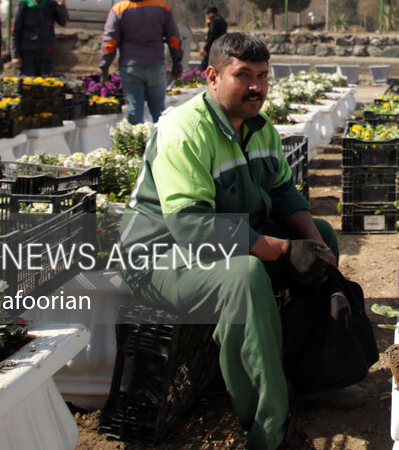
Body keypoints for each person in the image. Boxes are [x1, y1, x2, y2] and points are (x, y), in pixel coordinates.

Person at [119, 31, 341, 450]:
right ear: (212, 77)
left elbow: (282, 192)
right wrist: (281, 250)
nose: (256, 86)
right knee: (245, 275)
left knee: (320, 236)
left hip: (219, 244)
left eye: (262, 76)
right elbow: (190, 225)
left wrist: (314, 245)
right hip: (161, 257)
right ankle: (269, 433)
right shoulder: (185, 129)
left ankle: (311, 376)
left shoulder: (260, 127)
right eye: (243, 75)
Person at [99, 0, 183, 124]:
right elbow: (174, 40)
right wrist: (177, 62)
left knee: (134, 109)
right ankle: (161, 138)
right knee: (159, 110)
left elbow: (110, 42)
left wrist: (104, 66)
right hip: (156, 65)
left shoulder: (119, 9)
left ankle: (136, 138)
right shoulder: (162, 7)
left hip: (130, 67)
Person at [11, 0, 69, 77]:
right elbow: (15, 31)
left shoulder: (51, 4)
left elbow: (64, 22)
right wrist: (15, 55)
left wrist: (61, 7)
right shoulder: (25, 3)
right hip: (28, 55)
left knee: (46, 84)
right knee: (27, 84)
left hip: (46, 56)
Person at [200, 6, 228, 71]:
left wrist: (205, 48)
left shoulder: (215, 21)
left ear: (211, 13)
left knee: (203, 66)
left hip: (213, 47)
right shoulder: (222, 20)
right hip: (221, 46)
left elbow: (212, 36)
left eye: (207, 14)